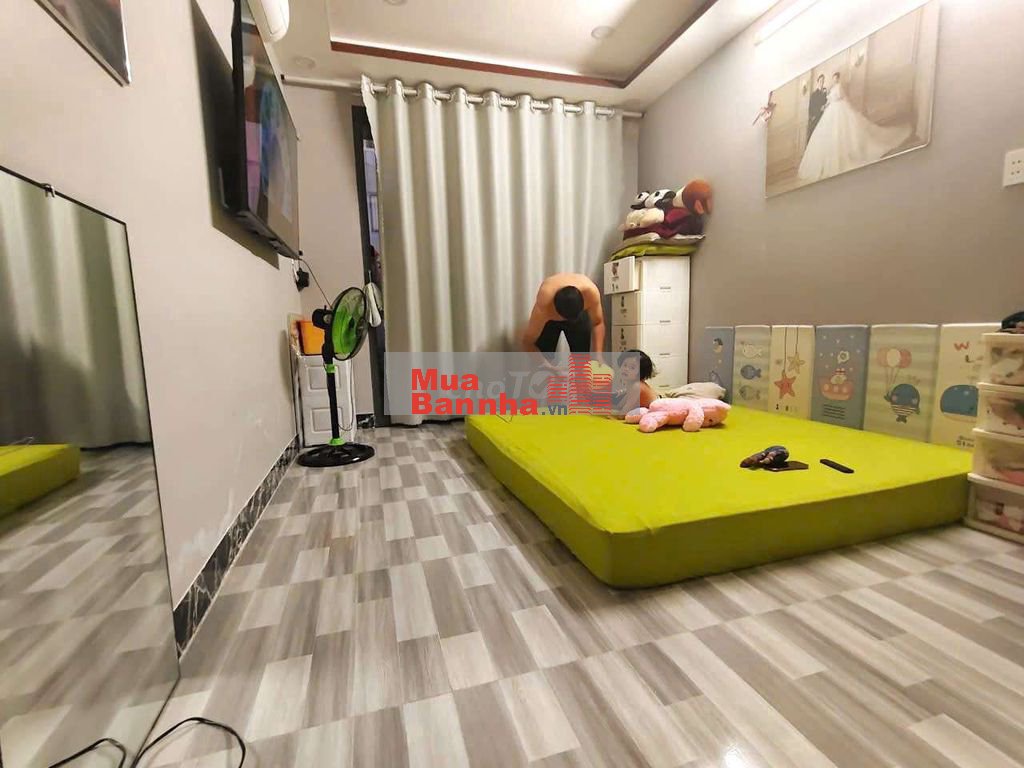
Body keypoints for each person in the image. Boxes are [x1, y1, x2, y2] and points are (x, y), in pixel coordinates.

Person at [798, 72, 912, 182]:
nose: (834, 80)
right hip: (828, 112)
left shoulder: (838, 87)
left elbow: (838, 97)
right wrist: (826, 104)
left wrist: (829, 100)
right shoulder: (829, 89)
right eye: (833, 78)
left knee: (841, 131)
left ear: (838, 78)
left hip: (838, 109)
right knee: (828, 136)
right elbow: (824, 102)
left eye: (836, 78)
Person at [521, 274, 605, 357]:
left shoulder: (591, 294)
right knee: (545, 355)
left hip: (579, 317)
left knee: (581, 359)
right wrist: (542, 363)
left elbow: (598, 323)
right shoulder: (545, 304)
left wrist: (598, 355)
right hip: (550, 319)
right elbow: (528, 342)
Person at [612, 349, 658, 415]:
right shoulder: (631, 384)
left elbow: (624, 413)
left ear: (641, 372)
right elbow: (620, 405)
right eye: (625, 365)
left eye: (632, 368)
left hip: (656, 410)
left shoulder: (636, 386)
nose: (626, 369)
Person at [807, 74, 828, 141]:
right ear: (818, 82)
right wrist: (819, 109)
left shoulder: (825, 93)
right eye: (820, 81)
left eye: (823, 81)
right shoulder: (814, 94)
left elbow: (826, 103)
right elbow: (811, 107)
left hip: (823, 118)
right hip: (816, 118)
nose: (822, 83)